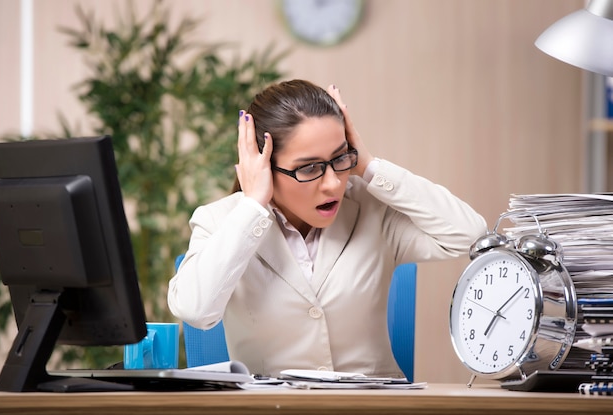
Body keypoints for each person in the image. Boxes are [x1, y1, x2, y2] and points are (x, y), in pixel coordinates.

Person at [167, 79, 487, 378]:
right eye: (309, 168)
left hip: (374, 412)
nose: (333, 183)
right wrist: (252, 205)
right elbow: (196, 311)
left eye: (340, 158)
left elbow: (470, 236)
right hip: (275, 413)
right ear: (263, 166)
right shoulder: (221, 221)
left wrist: (369, 166)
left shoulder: (371, 208)